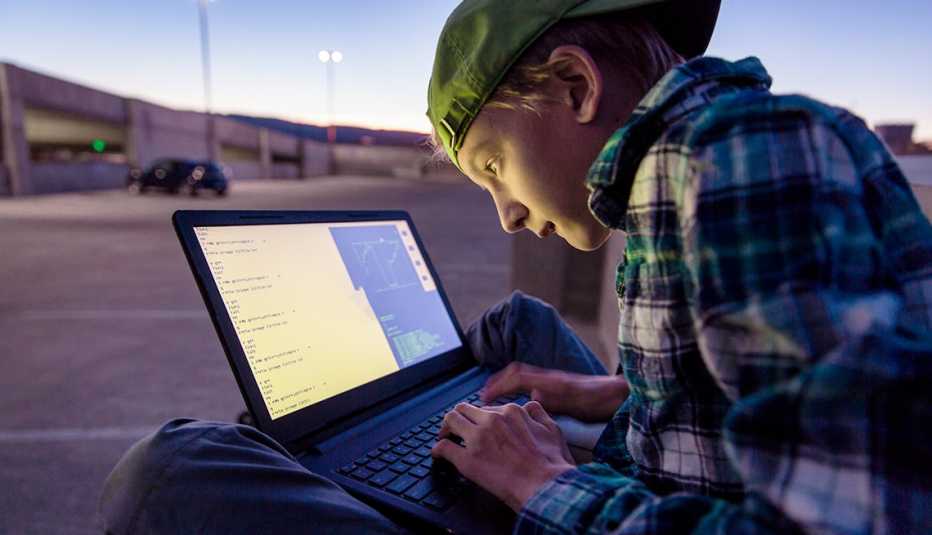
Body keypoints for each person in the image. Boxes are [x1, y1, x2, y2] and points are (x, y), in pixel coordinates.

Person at [101, 0, 932, 533]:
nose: (504, 210)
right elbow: (779, 399)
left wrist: (540, 485)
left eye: (493, 164)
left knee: (172, 466)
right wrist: (627, 394)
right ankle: (383, 443)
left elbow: (855, 519)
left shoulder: (733, 157)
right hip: (654, 480)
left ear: (574, 86)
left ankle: (361, 457)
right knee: (515, 328)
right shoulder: (702, 160)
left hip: (590, 510)